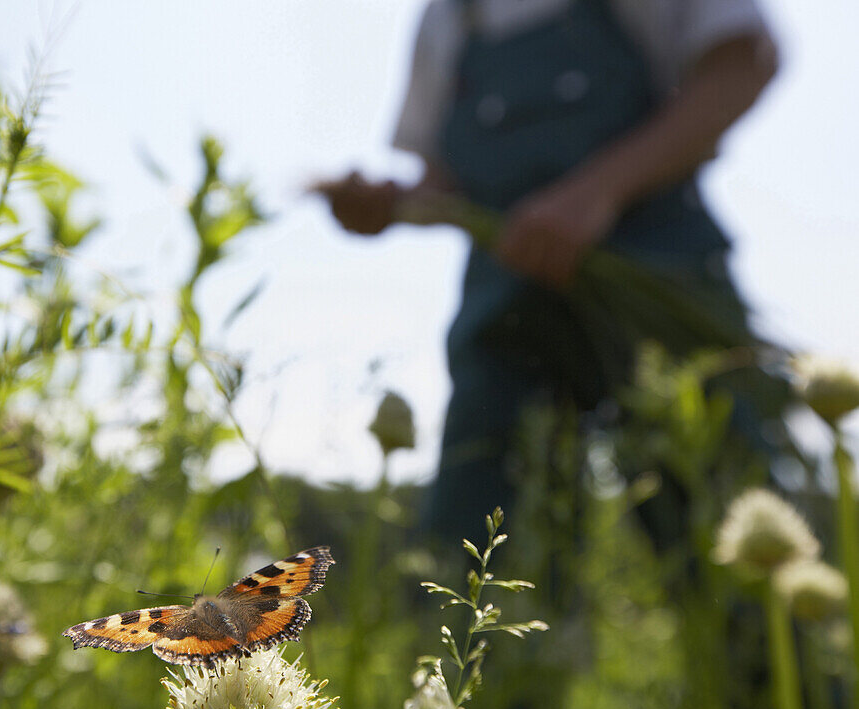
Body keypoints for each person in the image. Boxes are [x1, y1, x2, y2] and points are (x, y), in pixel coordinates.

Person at [322, 0, 780, 537]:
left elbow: (744, 62)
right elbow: (444, 179)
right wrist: (392, 203)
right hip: (507, 313)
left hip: (658, 285)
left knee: (714, 511)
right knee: (480, 539)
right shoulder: (449, 16)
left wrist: (596, 193)